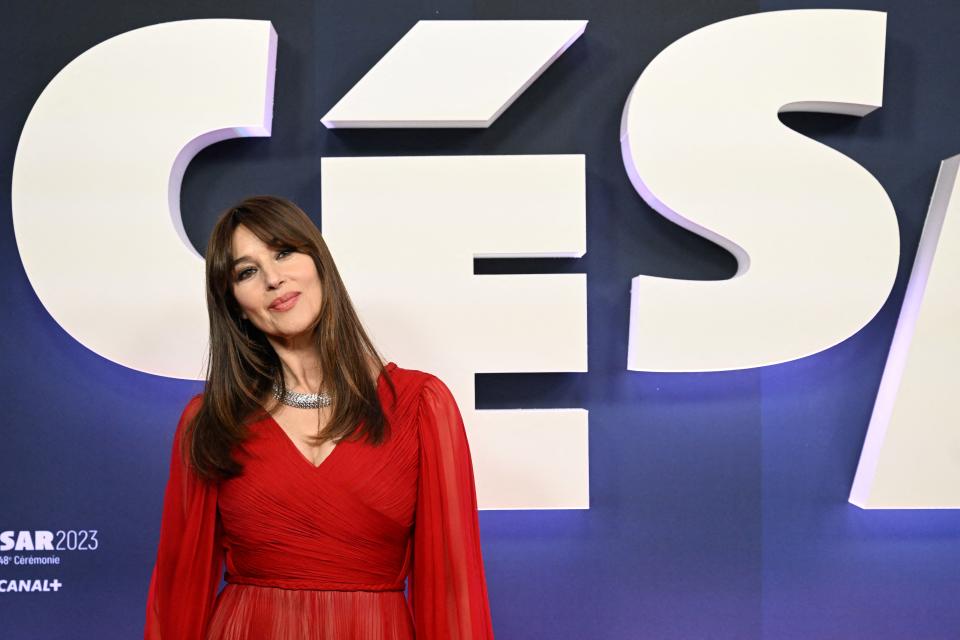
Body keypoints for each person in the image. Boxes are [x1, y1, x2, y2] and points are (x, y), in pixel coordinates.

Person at [144, 195, 495, 639]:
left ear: (319, 261)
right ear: (234, 303)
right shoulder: (210, 422)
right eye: (247, 272)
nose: (274, 278)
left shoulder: (421, 405)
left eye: (284, 251)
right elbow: (179, 593)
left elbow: (452, 589)